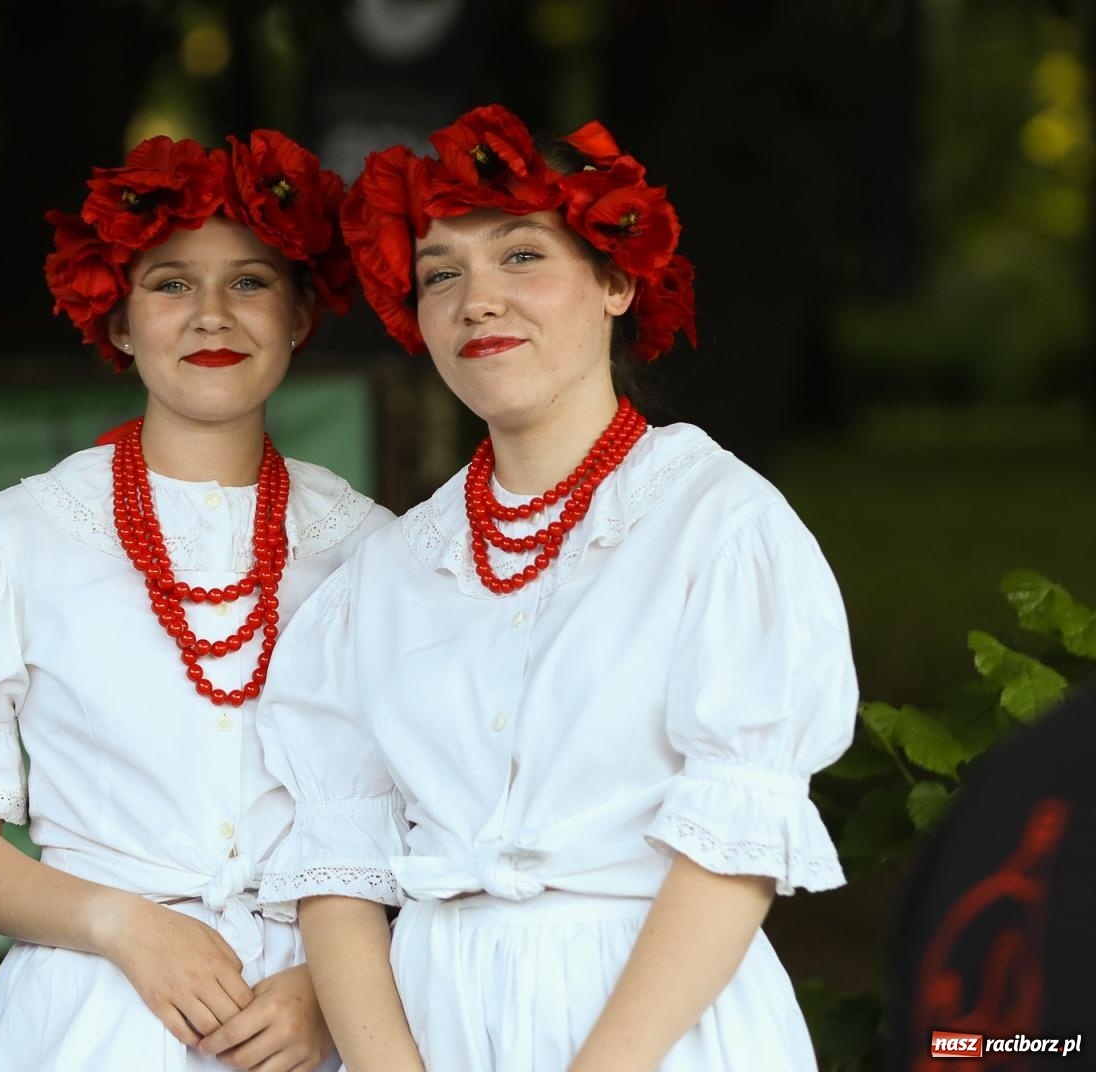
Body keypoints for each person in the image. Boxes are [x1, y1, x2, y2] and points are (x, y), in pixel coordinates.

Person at [256, 104, 857, 1071]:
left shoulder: (718, 523)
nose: (476, 300)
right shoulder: (389, 573)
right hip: (430, 1025)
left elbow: (732, 849)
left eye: (521, 256)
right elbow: (339, 858)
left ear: (617, 277)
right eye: (440, 274)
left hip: (650, 1027)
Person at [0, 128, 390, 1072]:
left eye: (251, 282)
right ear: (117, 320)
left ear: (300, 315)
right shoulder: (17, 539)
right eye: (171, 284)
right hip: (93, 1013)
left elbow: (429, 822)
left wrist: (327, 991)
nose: (212, 315)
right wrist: (127, 927)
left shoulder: (377, 551)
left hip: (313, 1025)